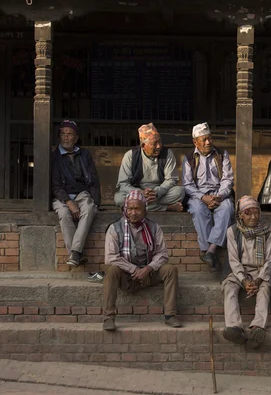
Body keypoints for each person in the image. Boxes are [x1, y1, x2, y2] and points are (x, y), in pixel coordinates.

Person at [103, 190, 181, 331]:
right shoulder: (114, 228)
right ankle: (109, 317)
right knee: (111, 270)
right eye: (130, 208)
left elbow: (162, 253)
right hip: (127, 275)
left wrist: (148, 268)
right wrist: (134, 270)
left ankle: (170, 315)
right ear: (125, 209)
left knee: (170, 270)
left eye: (137, 208)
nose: (133, 212)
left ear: (145, 210)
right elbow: (111, 257)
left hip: (148, 274)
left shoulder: (154, 227)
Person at [222, 196, 271, 348]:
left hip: (260, 272)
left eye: (256, 213)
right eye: (248, 213)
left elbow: (270, 259)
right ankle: (234, 327)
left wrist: (258, 281)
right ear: (240, 215)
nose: (253, 217)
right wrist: (245, 281)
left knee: (265, 290)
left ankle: (258, 327)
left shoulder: (267, 231)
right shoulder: (232, 231)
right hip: (240, 272)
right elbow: (233, 260)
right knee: (229, 288)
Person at [182, 122, 235, 271]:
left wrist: (219, 196)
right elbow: (188, 185)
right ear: (195, 142)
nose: (208, 142)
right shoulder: (188, 158)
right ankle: (210, 254)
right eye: (204, 139)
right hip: (198, 196)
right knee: (198, 210)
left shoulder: (221, 154)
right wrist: (202, 197)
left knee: (227, 208)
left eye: (210, 138)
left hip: (219, 194)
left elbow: (228, 179)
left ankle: (210, 251)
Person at [51, 120, 100, 267]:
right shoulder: (54, 157)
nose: (66, 137)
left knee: (90, 208)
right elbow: (55, 185)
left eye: (70, 134)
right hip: (61, 195)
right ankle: (76, 253)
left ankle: (75, 253)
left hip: (81, 194)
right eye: (63, 134)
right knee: (64, 214)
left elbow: (93, 178)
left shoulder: (84, 154)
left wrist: (96, 201)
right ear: (59, 137)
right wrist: (68, 202)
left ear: (76, 138)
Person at [114, 123, 184, 212]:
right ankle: (166, 208)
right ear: (143, 146)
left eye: (160, 141)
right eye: (154, 143)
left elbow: (171, 180)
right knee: (119, 198)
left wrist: (156, 192)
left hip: (159, 194)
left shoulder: (167, 154)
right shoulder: (130, 155)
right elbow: (123, 184)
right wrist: (140, 193)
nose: (159, 146)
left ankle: (138, 207)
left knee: (179, 192)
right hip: (137, 194)